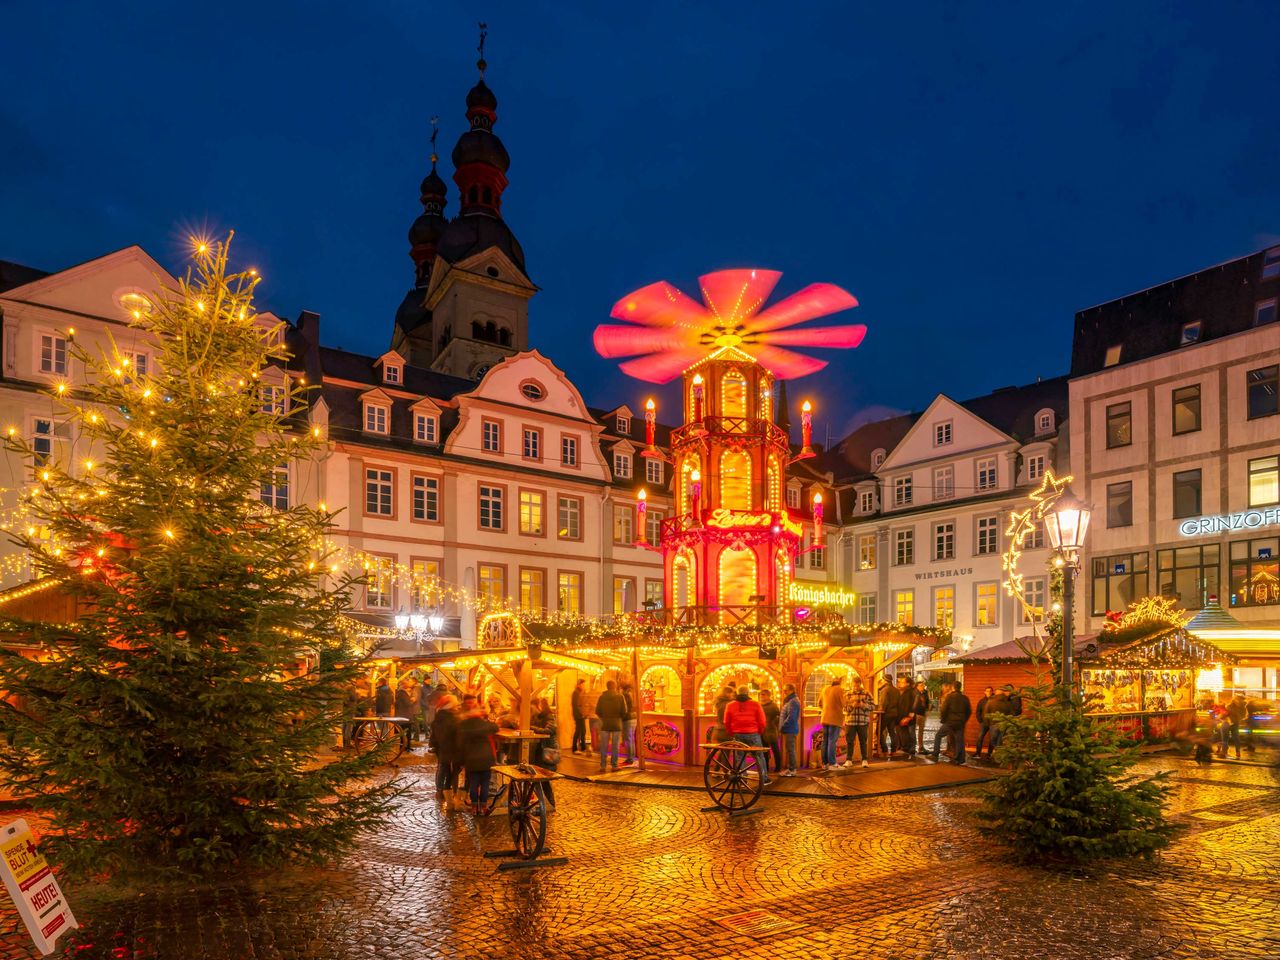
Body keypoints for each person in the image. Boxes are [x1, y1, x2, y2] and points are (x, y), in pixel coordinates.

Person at [457, 696, 499, 815]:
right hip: (486, 758)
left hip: (471, 759)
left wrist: (461, 761)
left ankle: (475, 808)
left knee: (474, 784)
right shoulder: (483, 724)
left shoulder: (464, 725)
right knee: (485, 784)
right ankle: (484, 807)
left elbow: (460, 744)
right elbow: (495, 727)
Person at [723, 686, 771, 784]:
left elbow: (726, 721)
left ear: (737, 693)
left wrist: (731, 732)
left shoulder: (730, 705)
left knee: (740, 757)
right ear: (748, 693)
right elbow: (762, 721)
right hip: (753, 733)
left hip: (738, 734)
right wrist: (759, 732)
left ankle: (742, 779)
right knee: (759, 756)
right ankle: (764, 778)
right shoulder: (756, 704)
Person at [932, 680, 972, 764]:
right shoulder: (965, 698)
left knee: (938, 736)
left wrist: (943, 720)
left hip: (950, 722)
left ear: (953, 687)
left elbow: (944, 709)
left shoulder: (949, 697)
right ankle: (959, 759)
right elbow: (969, 711)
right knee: (959, 740)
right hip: (960, 722)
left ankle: (935, 754)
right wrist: (964, 720)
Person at [530, 697, 559, 808]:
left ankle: (549, 804)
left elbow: (550, 730)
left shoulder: (549, 717)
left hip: (547, 751)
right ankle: (544, 803)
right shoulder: (539, 717)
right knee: (539, 778)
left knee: (544, 779)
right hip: (540, 751)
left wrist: (532, 728)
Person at [430, 693, 460, 799]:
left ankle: (441, 790)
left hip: (441, 747)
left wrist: (433, 745)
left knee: (443, 768)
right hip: (450, 747)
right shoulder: (451, 717)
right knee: (451, 769)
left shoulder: (439, 716)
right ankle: (448, 790)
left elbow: (434, 733)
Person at [594, 680, 626, 772]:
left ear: (607, 687)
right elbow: (624, 711)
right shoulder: (620, 697)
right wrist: (618, 718)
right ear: (615, 686)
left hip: (605, 724)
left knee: (604, 745)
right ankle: (614, 765)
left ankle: (603, 765)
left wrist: (604, 717)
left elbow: (597, 711)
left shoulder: (601, 697)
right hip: (617, 724)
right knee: (615, 745)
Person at [843, 675, 873, 767]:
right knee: (849, 741)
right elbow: (844, 709)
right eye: (854, 685)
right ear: (851, 684)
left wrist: (864, 706)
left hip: (862, 721)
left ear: (860, 684)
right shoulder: (847, 694)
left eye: (857, 685)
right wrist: (852, 706)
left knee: (863, 741)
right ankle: (848, 760)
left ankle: (864, 760)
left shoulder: (867, 694)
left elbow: (873, 706)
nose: (855, 687)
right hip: (850, 721)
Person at [818, 675, 845, 770]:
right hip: (835, 718)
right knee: (832, 741)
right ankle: (832, 763)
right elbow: (844, 703)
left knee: (825, 741)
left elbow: (819, 703)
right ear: (840, 682)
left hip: (824, 718)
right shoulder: (840, 689)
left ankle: (824, 763)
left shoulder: (825, 689)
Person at [982, 686, 1013, 761]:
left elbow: (986, 712)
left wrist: (987, 723)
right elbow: (1010, 713)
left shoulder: (991, 701)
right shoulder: (1008, 702)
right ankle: (998, 756)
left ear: (996, 693)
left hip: (993, 723)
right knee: (1000, 740)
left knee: (993, 740)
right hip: (1003, 724)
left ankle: (997, 754)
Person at [779, 684, 802, 776]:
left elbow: (791, 717)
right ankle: (791, 768)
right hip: (789, 728)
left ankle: (792, 770)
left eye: (786, 690)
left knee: (791, 749)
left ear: (792, 690)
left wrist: (783, 726)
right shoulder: (791, 700)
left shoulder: (793, 701)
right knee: (789, 749)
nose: (784, 692)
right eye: (784, 690)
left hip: (790, 728)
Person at [879, 675, 902, 755]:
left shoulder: (885, 690)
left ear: (885, 681)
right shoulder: (896, 690)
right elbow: (899, 703)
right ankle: (893, 750)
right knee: (892, 732)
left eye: (882, 680)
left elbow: (883, 702)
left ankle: (884, 749)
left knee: (879, 731)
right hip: (894, 713)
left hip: (886, 714)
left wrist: (881, 711)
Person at [895, 675, 918, 757]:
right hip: (902, 716)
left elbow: (913, 705)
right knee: (903, 732)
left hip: (907, 717)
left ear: (907, 684)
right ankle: (904, 748)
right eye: (900, 682)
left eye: (902, 682)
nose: (900, 683)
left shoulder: (911, 692)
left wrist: (908, 716)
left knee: (908, 733)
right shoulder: (903, 691)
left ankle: (908, 748)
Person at [760, 688, 781, 772]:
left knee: (775, 749)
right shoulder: (760, 705)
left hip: (771, 730)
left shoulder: (773, 706)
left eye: (763, 695)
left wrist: (773, 724)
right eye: (761, 695)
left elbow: (778, 717)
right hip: (763, 731)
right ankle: (766, 768)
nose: (761, 696)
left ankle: (778, 767)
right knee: (764, 750)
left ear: (768, 696)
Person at [1222, 693, 1248, 758]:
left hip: (1228, 723)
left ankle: (1225, 752)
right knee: (1236, 738)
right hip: (1234, 723)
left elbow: (1224, 714)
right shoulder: (1243, 708)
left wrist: (1227, 715)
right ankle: (1237, 752)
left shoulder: (1229, 706)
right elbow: (1243, 716)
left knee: (1225, 739)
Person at [973, 686, 995, 758]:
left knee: (992, 738)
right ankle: (978, 753)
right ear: (984, 692)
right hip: (984, 723)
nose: (988, 692)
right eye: (987, 691)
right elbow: (978, 711)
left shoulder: (995, 701)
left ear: (992, 692)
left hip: (992, 723)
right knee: (980, 737)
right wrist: (980, 720)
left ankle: (989, 754)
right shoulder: (982, 701)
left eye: (990, 691)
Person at [621, 681, 637, 766]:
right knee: (631, 739)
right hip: (634, 717)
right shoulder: (634, 694)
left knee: (628, 739)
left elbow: (625, 708)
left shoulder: (625, 695)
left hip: (628, 719)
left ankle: (630, 759)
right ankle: (632, 757)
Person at [913, 680, 931, 754]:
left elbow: (927, 702)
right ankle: (912, 746)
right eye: (921, 686)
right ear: (917, 686)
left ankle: (921, 747)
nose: (922, 687)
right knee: (913, 731)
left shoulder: (925, 692)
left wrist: (928, 707)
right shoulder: (914, 692)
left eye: (923, 685)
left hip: (923, 714)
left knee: (921, 732)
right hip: (915, 714)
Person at [571, 679, 588, 754]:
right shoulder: (576, 693)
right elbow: (576, 705)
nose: (584, 686)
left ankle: (583, 747)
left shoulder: (580, 692)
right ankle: (574, 748)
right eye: (583, 684)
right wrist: (581, 714)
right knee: (578, 731)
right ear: (579, 685)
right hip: (578, 715)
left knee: (583, 731)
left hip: (581, 715)